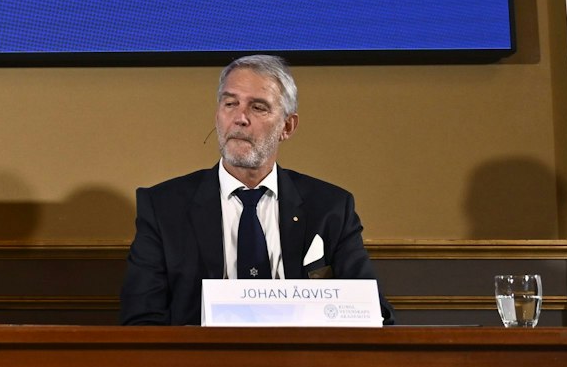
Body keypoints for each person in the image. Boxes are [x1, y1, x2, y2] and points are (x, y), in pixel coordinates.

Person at [118, 55, 391, 324]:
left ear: (287, 126)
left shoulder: (330, 208)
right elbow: (142, 321)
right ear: (217, 115)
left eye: (258, 107)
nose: (240, 118)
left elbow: (373, 313)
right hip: (202, 363)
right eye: (230, 103)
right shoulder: (164, 207)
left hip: (302, 362)